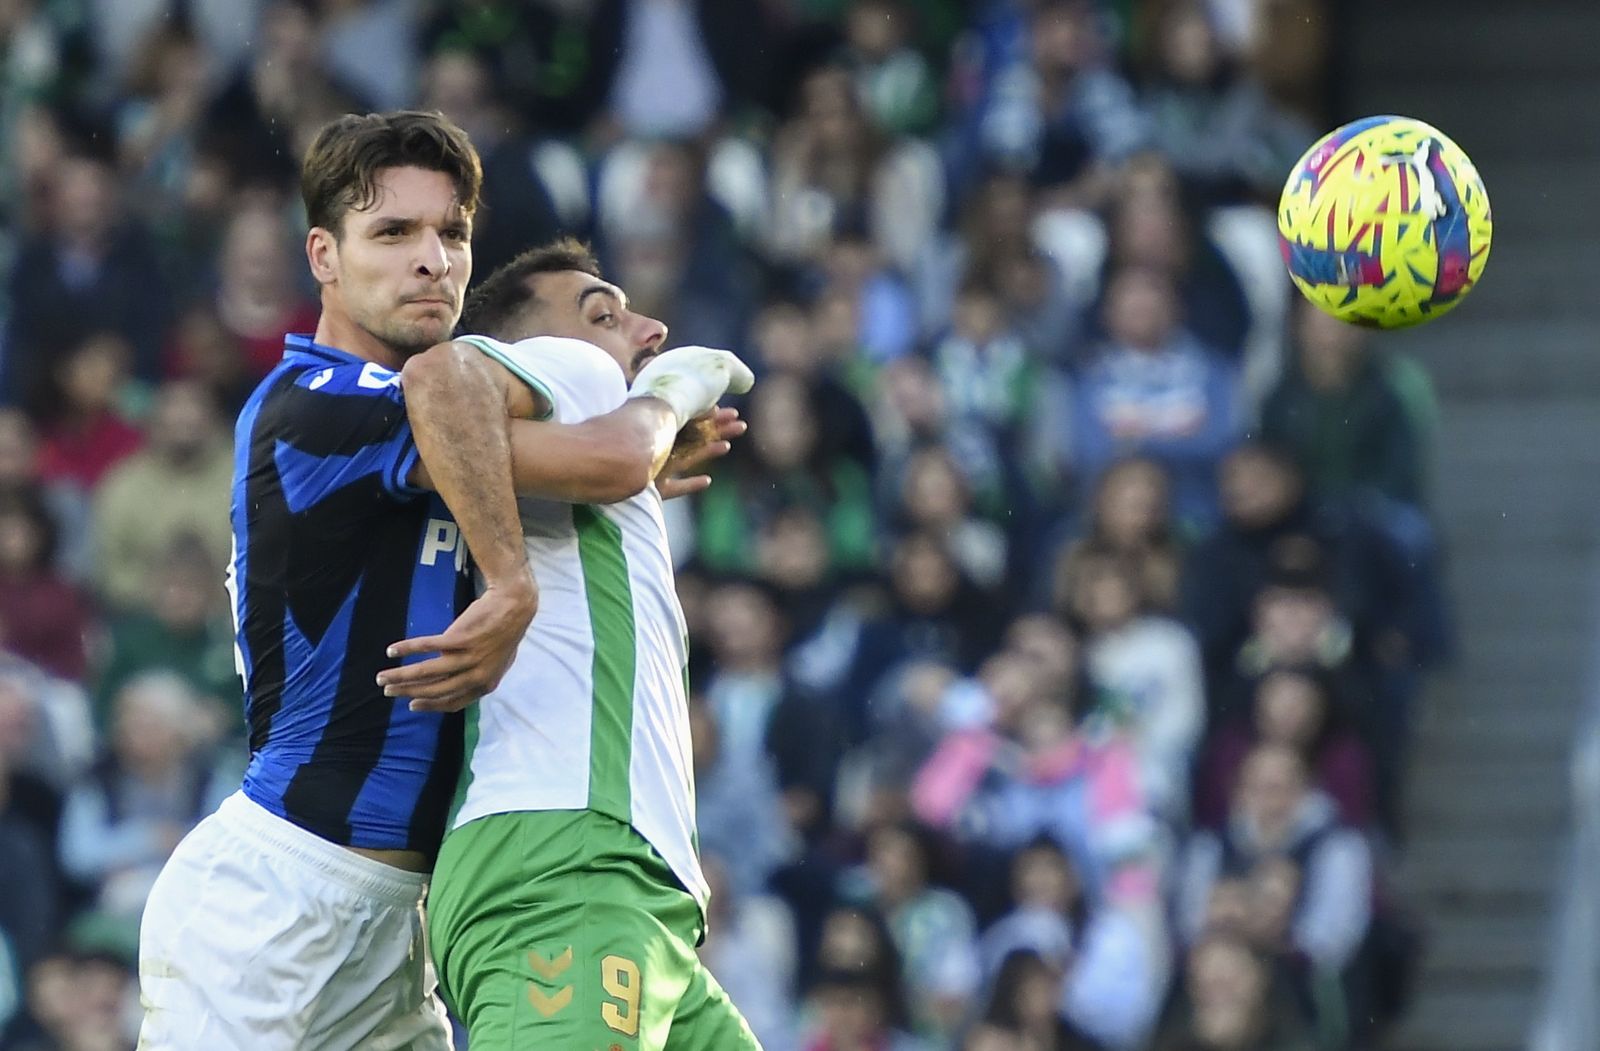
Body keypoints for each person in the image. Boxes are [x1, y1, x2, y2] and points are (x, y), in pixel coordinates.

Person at [135, 112, 742, 1051]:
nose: (433, 260)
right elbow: (608, 455)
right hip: (283, 894)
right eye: (393, 233)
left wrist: (628, 466)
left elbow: (587, 465)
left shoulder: (447, 426)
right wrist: (657, 411)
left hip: (401, 928)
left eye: (451, 233)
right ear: (323, 256)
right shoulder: (319, 405)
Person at [388, 240, 763, 1049]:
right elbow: (441, 376)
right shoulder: (574, 371)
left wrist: (630, 470)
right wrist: (665, 396)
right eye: (604, 313)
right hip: (568, 865)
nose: (652, 328)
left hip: (621, 887)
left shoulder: (548, 469)